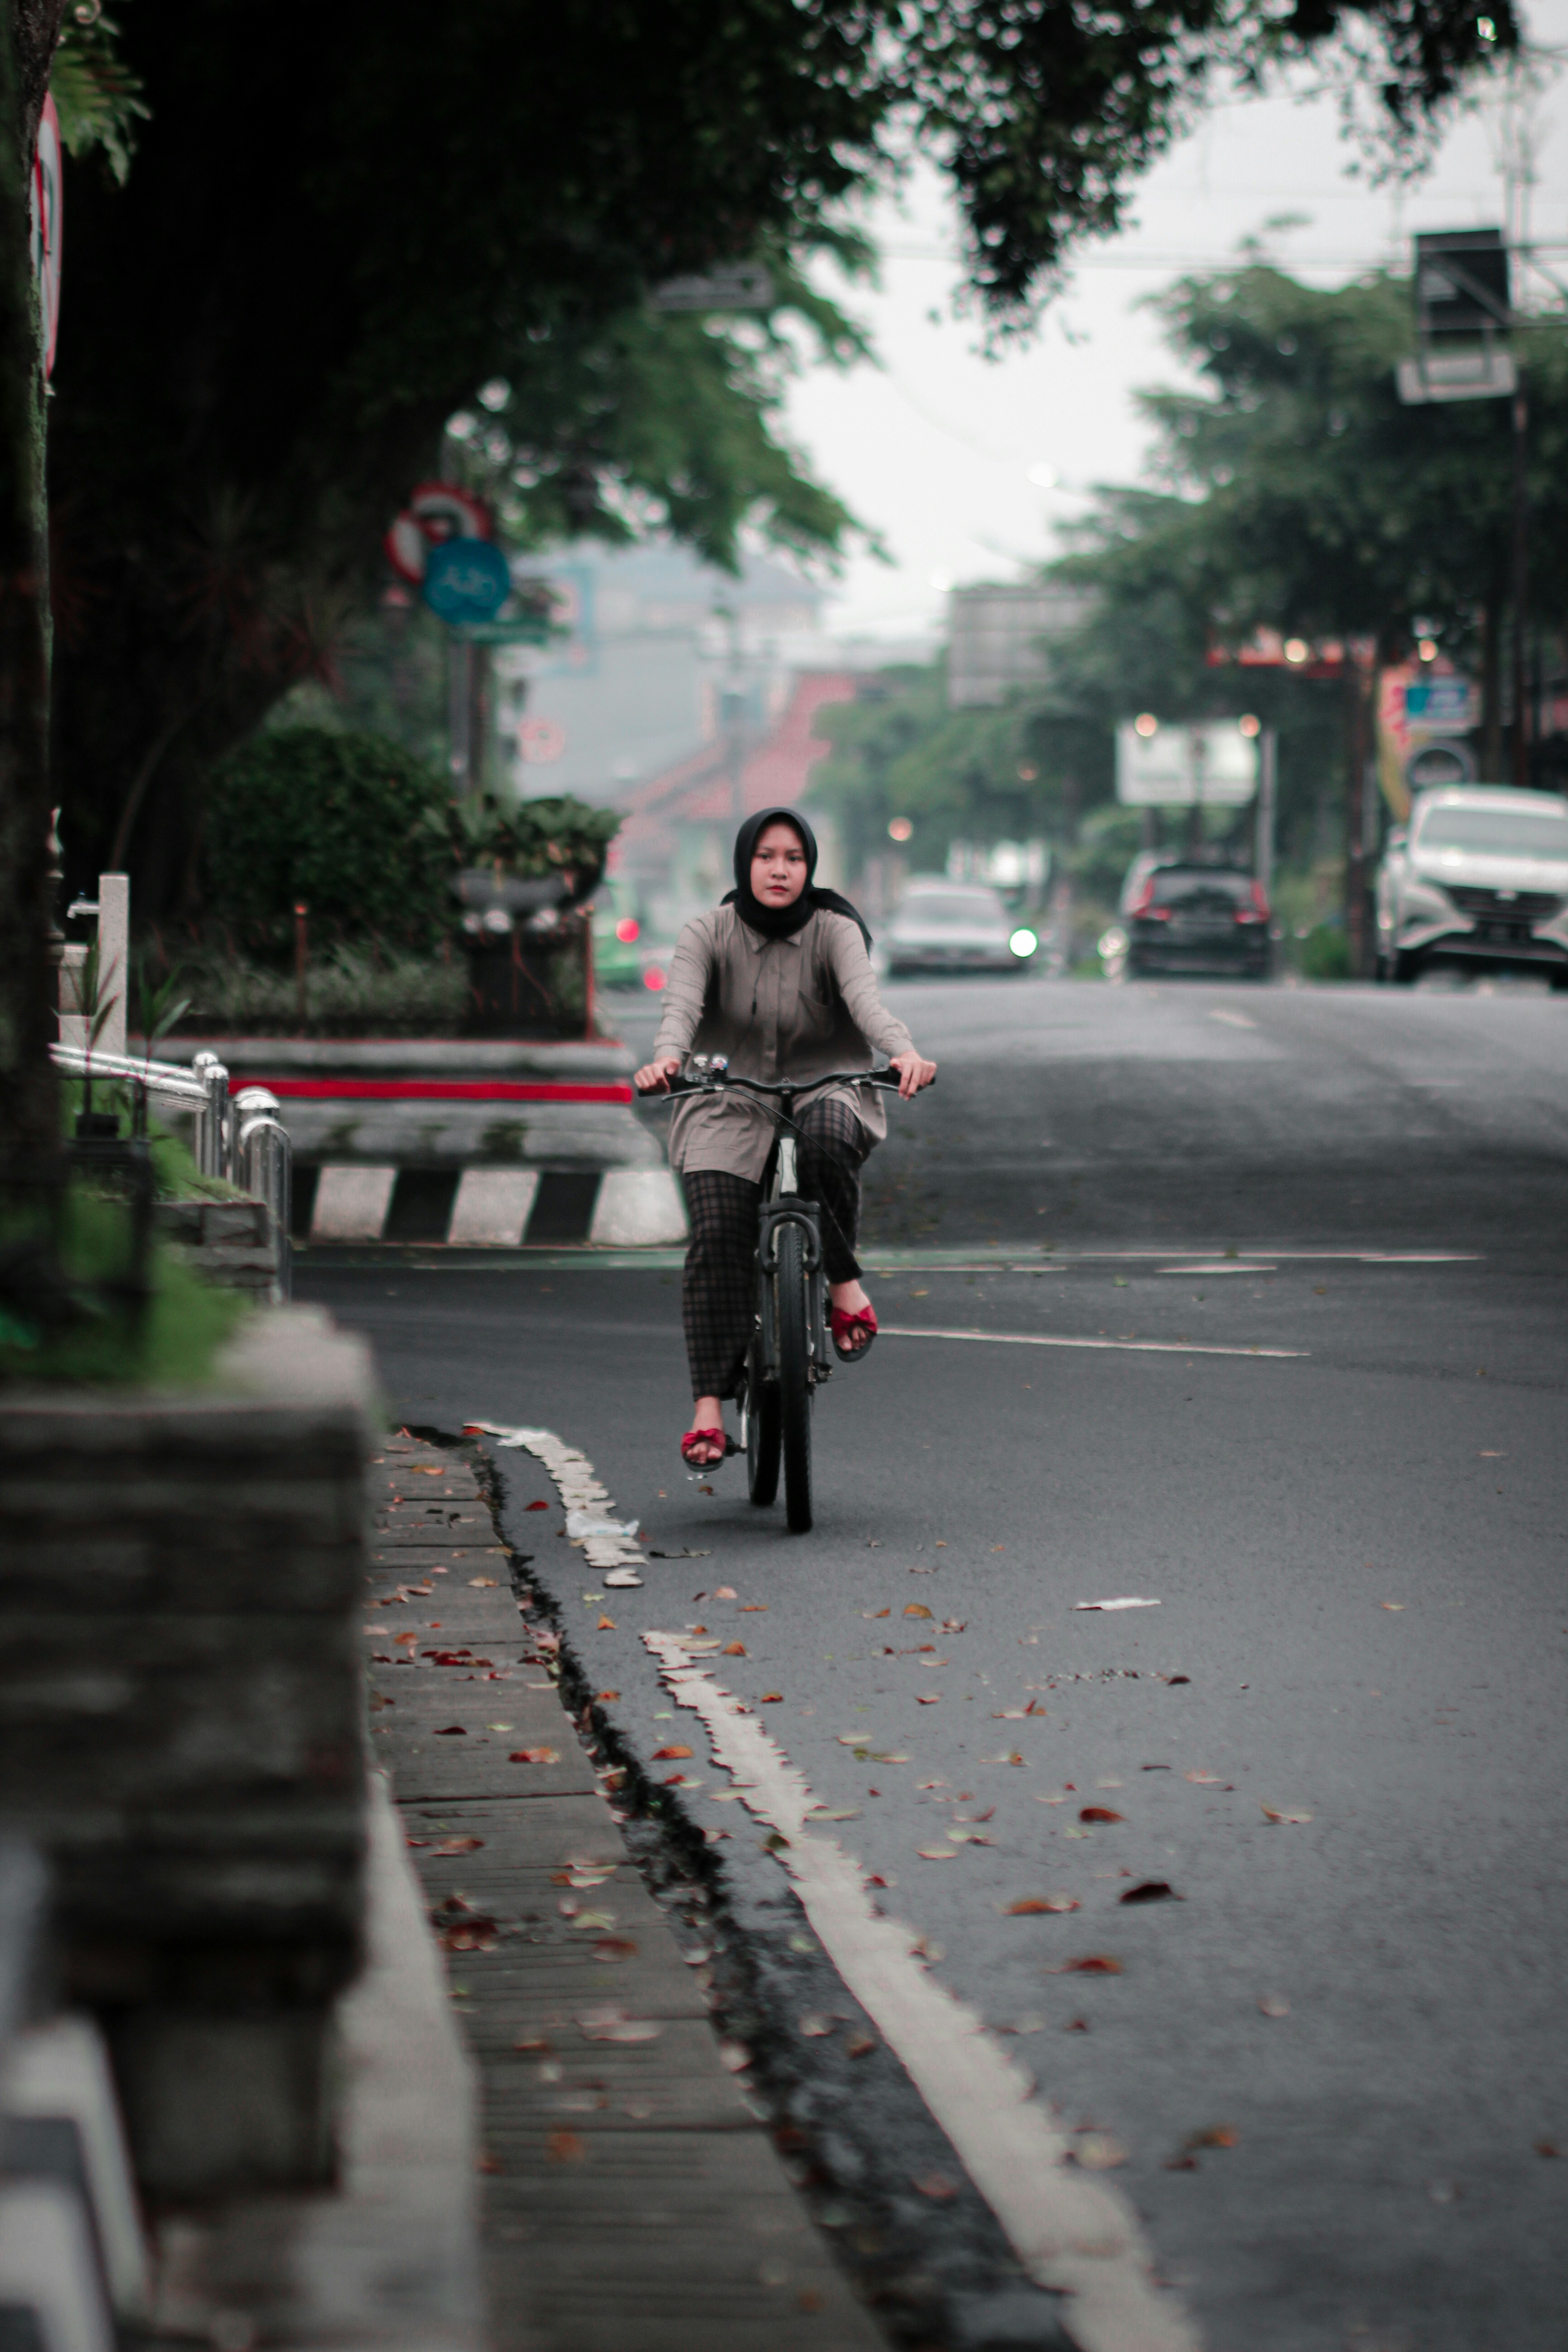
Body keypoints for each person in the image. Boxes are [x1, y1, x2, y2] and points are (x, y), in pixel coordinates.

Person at [635, 807, 936, 1468]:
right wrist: (666, 1060)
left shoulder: (836, 932)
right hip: (726, 1098)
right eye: (766, 856)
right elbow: (680, 1008)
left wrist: (905, 1053)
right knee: (718, 1231)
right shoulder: (706, 933)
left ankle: (842, 1283)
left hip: (825, 1085)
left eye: (794, 858)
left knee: (830, 1135)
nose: (779, 869)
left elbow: (867, 1003)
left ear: (810, 867)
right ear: (745, 862)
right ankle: (710, 1407)